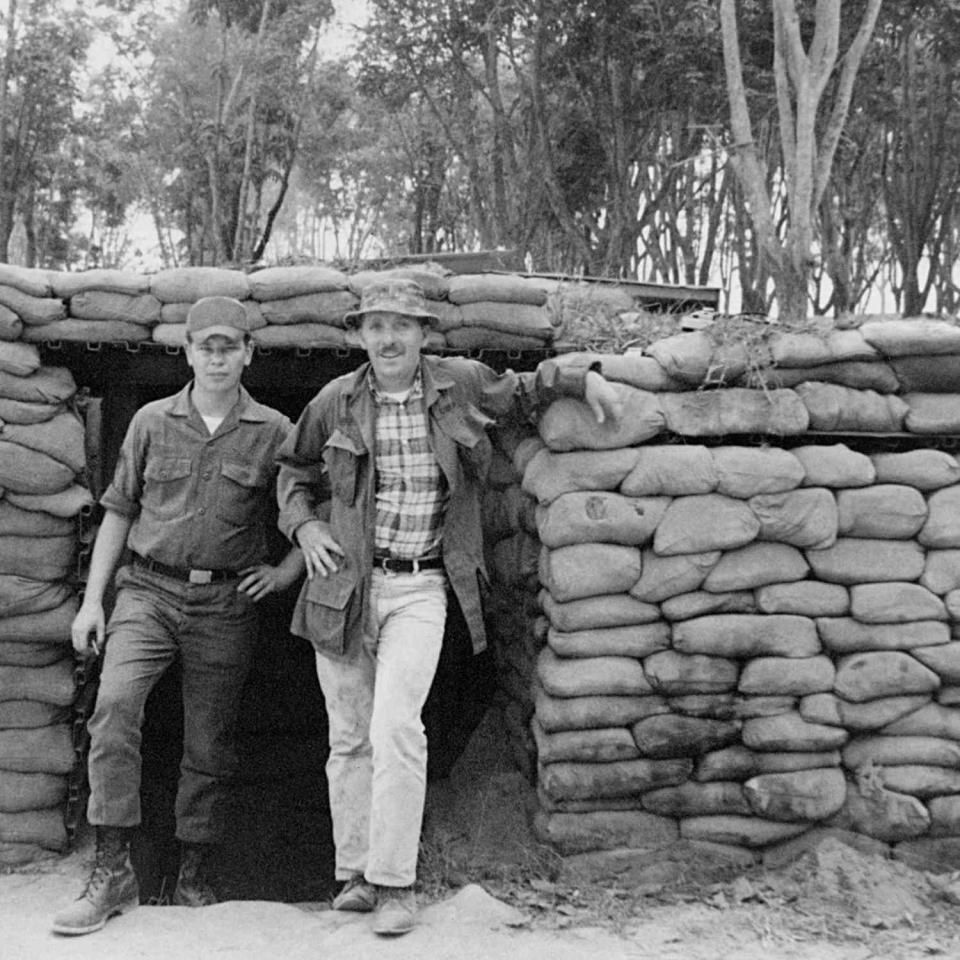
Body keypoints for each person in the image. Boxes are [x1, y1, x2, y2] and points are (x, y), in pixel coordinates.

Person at [275, 277, 622, 937]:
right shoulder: (335, 401)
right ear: (359, 336)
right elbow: (293, 470)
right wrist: (306, 527)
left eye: (401, 326)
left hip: (421, 587)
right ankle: (351, 876)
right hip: (344, 587)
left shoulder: (458, 384)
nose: (388, 339)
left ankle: (394, 884)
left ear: (424, 334)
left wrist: (584, 378)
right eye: (375, 327)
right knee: (347, 735)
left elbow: (523, 390)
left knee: (397, 728)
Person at [52, 296, 304, 936]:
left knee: (209, 741)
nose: (217, 356)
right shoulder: (149, 422)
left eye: (229, 345)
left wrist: (284, 573)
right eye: (205, 345)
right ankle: (113, 870)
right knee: (114, 708)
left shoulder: (275, 431)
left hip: (227, 603)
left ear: (249, 352)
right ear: (187, 352)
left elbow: (319, 509)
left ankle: (194, 874)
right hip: (148, 592)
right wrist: (91, 602)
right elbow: (119, 511)